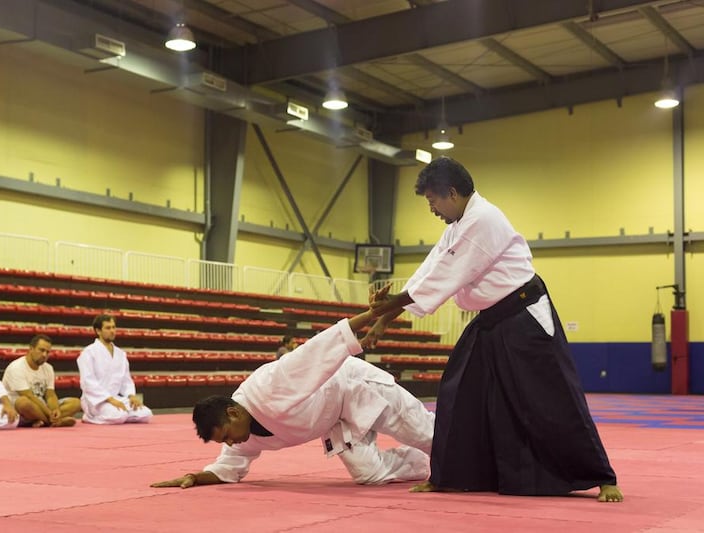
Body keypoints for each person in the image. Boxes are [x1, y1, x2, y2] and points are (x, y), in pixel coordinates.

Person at [364, 156, 622, 502]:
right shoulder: (456, 227)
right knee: (459, 391)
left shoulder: (484, 219)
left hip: (524, 315)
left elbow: (446, 277)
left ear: (451, 193)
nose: (432, 208)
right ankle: (448, 476)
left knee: (552, 397)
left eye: (432, 200)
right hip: (491, 320)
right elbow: (428, 272)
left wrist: (391, 303)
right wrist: (385, 318)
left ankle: (602, 477)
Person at [150, 289, 435, 489]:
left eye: (226, 436)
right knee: (368, 474)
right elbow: (229, 467)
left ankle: (469, 444)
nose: (230, 444)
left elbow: (317, 348)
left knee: (432, 437)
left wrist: (371, 315)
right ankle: (418, 464)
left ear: (232, 413)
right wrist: (195, 477)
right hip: (333, 419)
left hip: (353, 385)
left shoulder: (267, 386)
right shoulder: (242, 434)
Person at [76, 314, 152, 425]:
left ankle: (121, 415)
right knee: (118, 415)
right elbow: (88, 382)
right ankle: (89, 417)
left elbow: (126, 380)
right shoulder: (88, 353)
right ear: (98, 331)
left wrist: (131, 396)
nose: (112, 331)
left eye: (113, 327)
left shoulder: (120, 354)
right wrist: (110, 400)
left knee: (146, 414)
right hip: (96, 401)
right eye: (108, 328)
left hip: (116, 399)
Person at [2, 334, 81, 428]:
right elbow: (29, 396)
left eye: (48, 352)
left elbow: (50, 395)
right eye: (41, 350)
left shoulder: (48, 368)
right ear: (31, 348)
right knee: (23, 402)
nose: (44, 355)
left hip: (41, 407)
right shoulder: (16, 367)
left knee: (76, 403)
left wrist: (55, 410)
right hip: (20, 411)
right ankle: (53, 422)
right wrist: (49, 413)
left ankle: (44, 421)